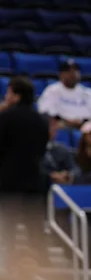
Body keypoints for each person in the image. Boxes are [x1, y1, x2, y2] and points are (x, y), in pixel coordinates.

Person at [0, 76, 50, 255]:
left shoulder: (5, 117)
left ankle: (9, 262)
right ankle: (41, 260)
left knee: (9, 226)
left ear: (17, 95)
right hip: (34, 180)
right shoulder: (41, 121)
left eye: (8, 92)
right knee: (34, 226)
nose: (6, 96)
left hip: (9, 181)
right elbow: (43, 148)